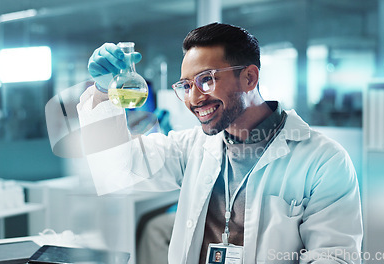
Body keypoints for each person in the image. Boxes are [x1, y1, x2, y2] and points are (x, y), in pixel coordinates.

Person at [77, 23, 362, 263]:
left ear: (249, 78)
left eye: (207, 80)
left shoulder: (324, 161)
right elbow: (114, 169)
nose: (194, 98)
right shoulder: (192, 147)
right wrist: (102, 92)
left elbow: (333, 257)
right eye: (187, 86)